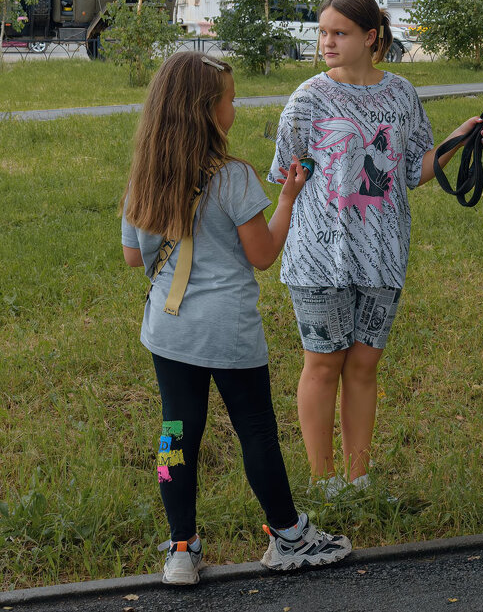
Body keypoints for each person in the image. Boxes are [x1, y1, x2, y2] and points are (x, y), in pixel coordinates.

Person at [121, 52, 353, 585]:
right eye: (229, 96)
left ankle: (181, 547)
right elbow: (264, 253)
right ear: (207, 110)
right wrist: (288, 198)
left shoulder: (144, 177)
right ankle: (287, 535)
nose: (236, 102)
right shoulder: (234, 178)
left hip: (169, 327)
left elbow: (136, 257)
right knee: (256, 431)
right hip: (227, 330)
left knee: (173, 435)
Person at [269, 0, 483, 497]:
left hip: (383, 253)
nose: (326, 41)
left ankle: (359, 479)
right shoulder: (306, 100)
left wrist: (460, 138)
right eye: (323, 32)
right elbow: (289, 175)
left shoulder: (401, 95)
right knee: (323, 363)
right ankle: (322, 481)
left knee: (365, 367)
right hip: (319, 258)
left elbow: (415, 170)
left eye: (339, 33)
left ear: (371, 38)